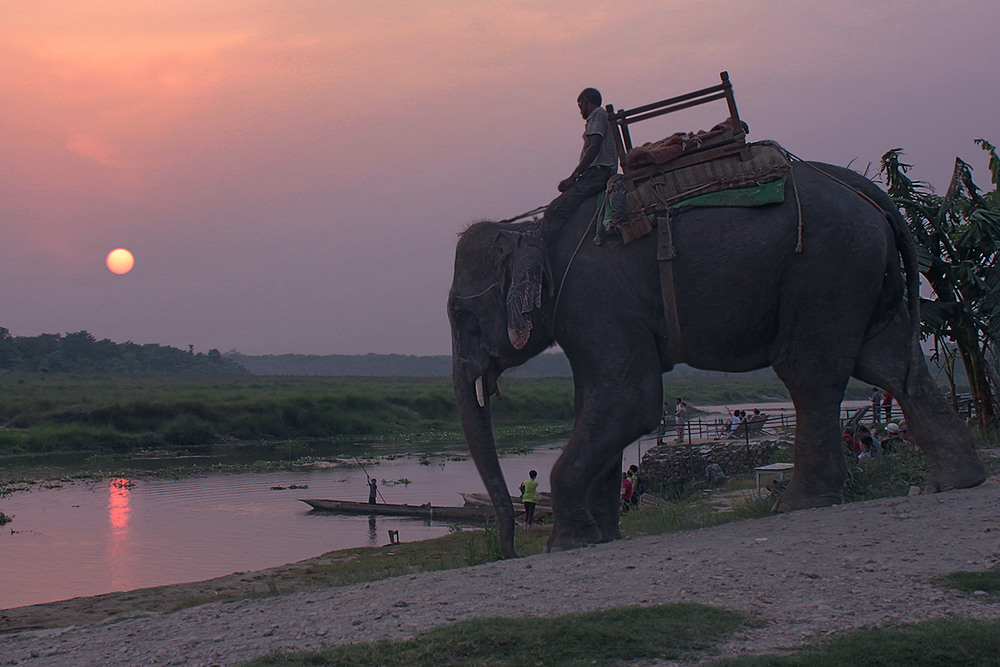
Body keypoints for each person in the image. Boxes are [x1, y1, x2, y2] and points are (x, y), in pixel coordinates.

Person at [541, 88, 618, 241]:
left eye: (580, 105)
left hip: (597, 174)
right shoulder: (599, 117)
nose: (580, 110)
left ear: (587, 101)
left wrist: (573, 177)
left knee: (554, 210)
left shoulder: (598, 114)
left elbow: (594, 146)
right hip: (595, 173)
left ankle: (543, 252)